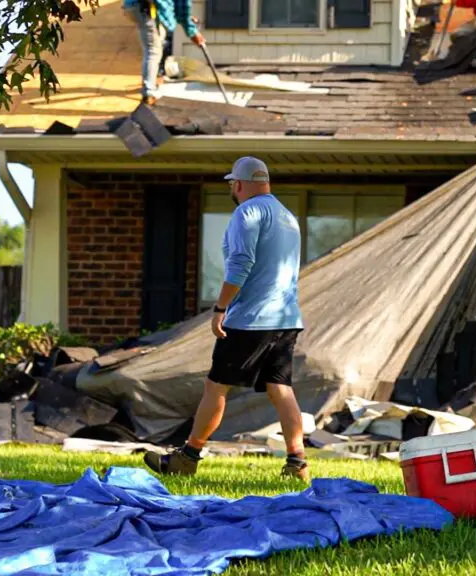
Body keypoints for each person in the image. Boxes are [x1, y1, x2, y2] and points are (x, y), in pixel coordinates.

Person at [144, 157, 309, 482]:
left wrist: (220, 307)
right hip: (286, 318)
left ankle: (187, 458)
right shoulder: (288, 217)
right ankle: (297, 463)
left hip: (251, 319)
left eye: (232, 184)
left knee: (216, 387)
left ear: (238, 184)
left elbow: (241, 263)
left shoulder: (246, 213)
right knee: (281, 388)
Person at [122, 0, 205, 106]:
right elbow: (181, 9)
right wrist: (192, 33)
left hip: (136, 6)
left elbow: (173, 7)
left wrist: (186, 20)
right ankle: (149, 93)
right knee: (153, 51)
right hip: (146, 8)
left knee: (156, 44)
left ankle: (151, 84)